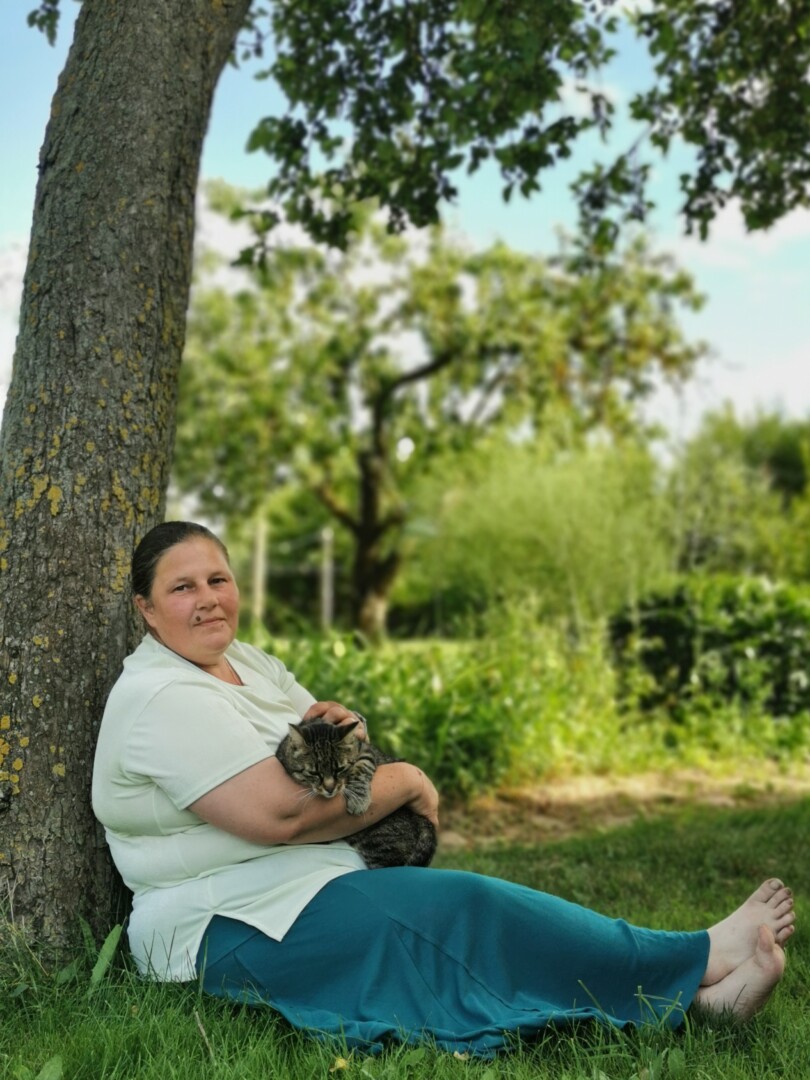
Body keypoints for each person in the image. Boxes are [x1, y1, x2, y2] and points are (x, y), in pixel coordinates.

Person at [92, 521, 796, 1057]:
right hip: (222, 923)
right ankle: (695, 959)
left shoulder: (249, 663)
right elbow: (277, 815)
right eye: (182, 588)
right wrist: (407, 782)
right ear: (146, 609)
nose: (208, 600)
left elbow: (345, 741)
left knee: (461, 937)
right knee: (464, 911)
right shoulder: (161, 696)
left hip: (303, 883)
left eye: (218, 579)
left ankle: (689, 1003)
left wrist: (359, 749)